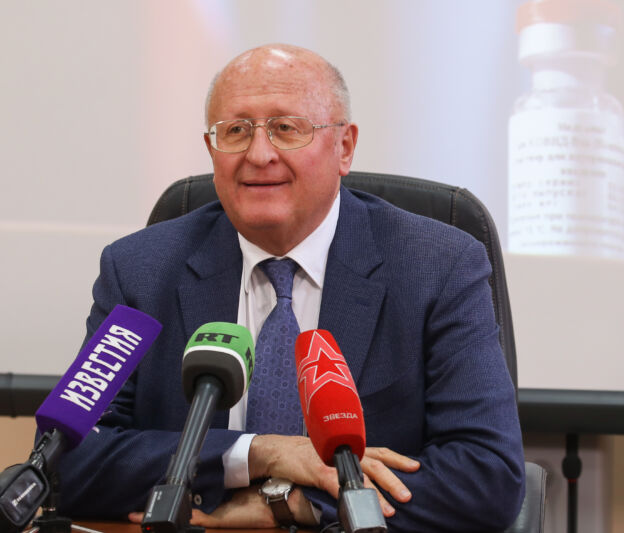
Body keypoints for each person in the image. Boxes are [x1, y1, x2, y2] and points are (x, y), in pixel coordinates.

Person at [57, 44, 525, 531]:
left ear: (344, 147)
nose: (259, 155)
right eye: (235, 131)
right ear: (212, 150)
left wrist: (289, 504)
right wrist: (260, 453)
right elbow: (69, 457)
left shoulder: (436, 266)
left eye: (286, 128)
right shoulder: (141, 270)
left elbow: (488, 475)